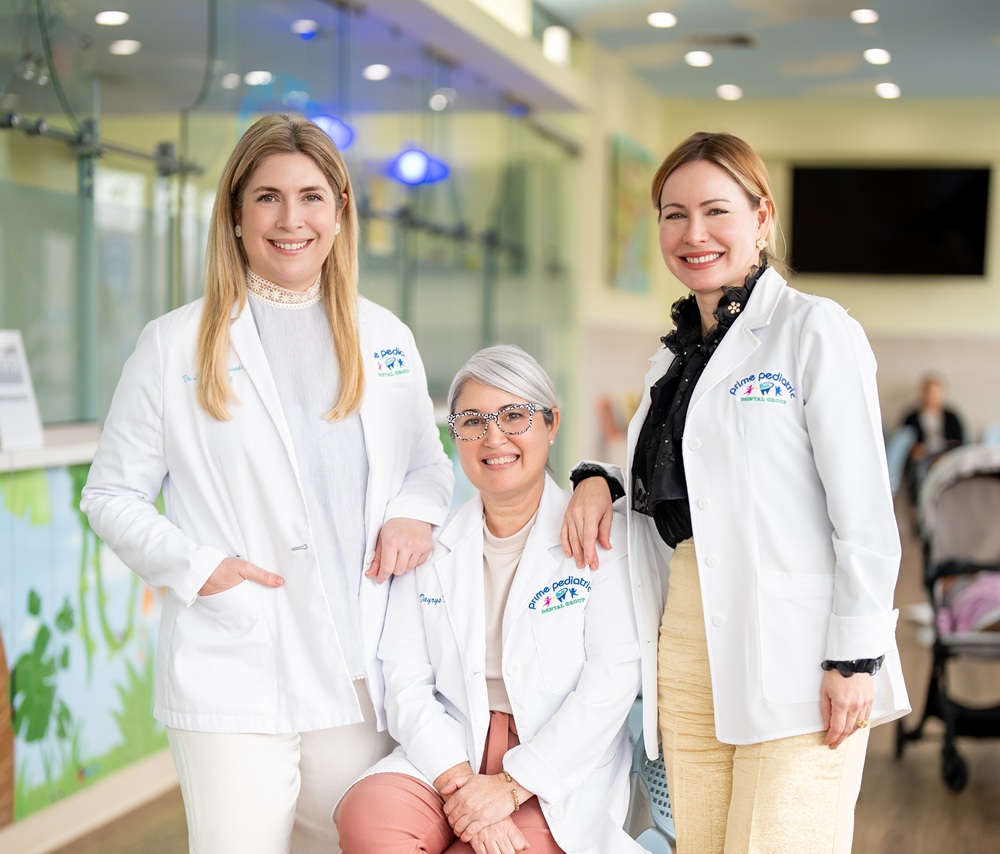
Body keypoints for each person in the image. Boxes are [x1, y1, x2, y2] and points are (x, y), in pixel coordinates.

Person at [80, 114, 453, 854]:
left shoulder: (385, 337)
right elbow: (110, 494)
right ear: (235, 212)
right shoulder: (173, 344)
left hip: (357, 674)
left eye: (311, 197)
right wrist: (200, 568)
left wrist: (414, 513)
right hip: (236, 665)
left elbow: (427, 463)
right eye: (268, 197)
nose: (291, 220)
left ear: (340, 211)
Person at [560, 132, 910, 854]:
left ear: (762, 216)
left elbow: (865, 512)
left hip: (798, 648)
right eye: (674, 214)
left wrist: (854, 659)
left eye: (716, 211)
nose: (694, 234)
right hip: (686, 646)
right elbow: (688, 489)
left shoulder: (813, 330)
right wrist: (600, 480)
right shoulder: (673, 357)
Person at [336, 345, 644, 854]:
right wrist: (461, 784)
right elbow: (406, 681)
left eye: (514, 415)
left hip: (553, 762)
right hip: (451, 746)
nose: (493, 437)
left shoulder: (603, 538)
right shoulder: (432, 546)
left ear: (551, 423)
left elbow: (609, 686)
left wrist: (510, 788)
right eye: (473, 422)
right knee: (370, 819)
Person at [902, 372, 965, 506]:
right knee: (917, 466)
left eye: (935, 393)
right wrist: (914, 448)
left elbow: (960, 442)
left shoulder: (951, 417)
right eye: (929, 392)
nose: (932, 396)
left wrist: (945, 455)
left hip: (945, 452)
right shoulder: (911, 417)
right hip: (923, 454)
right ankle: (918, 505)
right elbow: (902, 442)